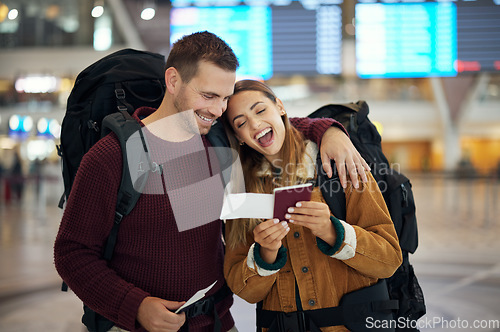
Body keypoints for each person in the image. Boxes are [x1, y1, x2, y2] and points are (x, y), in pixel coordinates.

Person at [54, 31, 369, 332]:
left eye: (225, 98)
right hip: (133, 326)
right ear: (174, 80)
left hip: (217, 322)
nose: (218, 110)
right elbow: (72, 252)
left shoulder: (218, 142)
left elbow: (272, 127)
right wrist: (135, 305)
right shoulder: (111, 157)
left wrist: (328, 130)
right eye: (208, 96)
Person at [222, 80, 403, 331]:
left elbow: (389, 259)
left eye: (260, 110)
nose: (254, 124)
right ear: (238, 137)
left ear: (280, 107)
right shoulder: (240, 191)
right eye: (240, 123)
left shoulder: (341, 163)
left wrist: (332, 232)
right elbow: (244, 291)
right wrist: (265, 255)